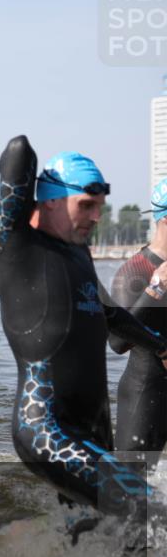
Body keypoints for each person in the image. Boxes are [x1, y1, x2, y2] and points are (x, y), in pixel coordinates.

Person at [0, 135, 167, 516]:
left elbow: (113, 318)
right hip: (47, 430)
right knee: (151, 511)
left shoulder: (78, 254)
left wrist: (161, 345)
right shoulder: (16, 245)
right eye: (86, 205)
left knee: (96, 532)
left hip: (93, 431)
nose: (97, 217)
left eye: (100, 206)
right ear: (49, 200)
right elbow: (18, 152)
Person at [109, 178, 167, 463]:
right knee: (129, 494)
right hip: (146, 394)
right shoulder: (135, 270)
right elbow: (118, 341)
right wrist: (157, 288)